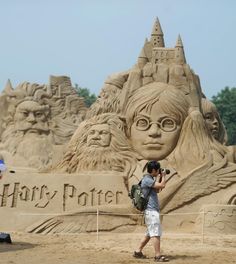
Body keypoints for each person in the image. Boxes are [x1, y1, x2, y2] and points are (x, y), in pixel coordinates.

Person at [133, 160, 169, 262]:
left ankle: (138, 251)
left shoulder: (150, 179)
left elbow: (157, 190)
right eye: (157, 170)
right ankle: (158, 256)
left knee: (149, 234)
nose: (158, 171)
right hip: (151, 210)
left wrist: (159, 177)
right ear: (153, 170)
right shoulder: (147, 180)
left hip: (152, 211)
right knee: (156, 233)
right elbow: (162, 186)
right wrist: (164, 176)